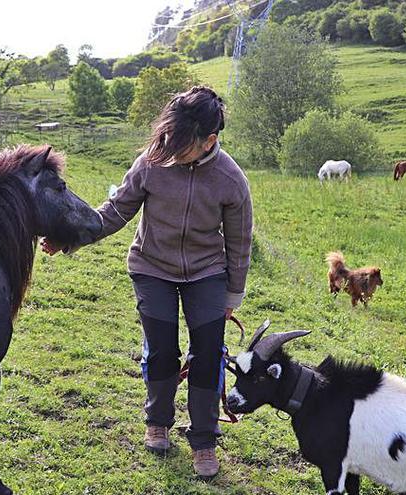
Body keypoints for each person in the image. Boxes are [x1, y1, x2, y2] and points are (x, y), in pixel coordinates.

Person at [42, 86, 253, 478]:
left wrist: (232, 295)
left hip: (207, 273)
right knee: (162, 351)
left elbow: (240, 241)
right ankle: (158, 421)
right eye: (169, 141)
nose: (172, 152)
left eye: (183, 146)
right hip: (151, 267)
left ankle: (204, 441)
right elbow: (116, 210)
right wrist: (70, 236)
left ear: (210, 140)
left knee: (207, 354)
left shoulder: (231, 180)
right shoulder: (152, 162)